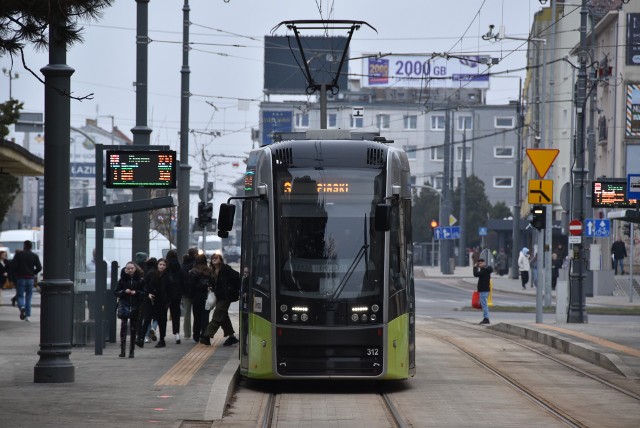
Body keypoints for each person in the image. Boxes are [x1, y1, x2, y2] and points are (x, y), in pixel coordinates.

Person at [202, 253, 240, 346]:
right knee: (223, 316)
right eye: (213, 258)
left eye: (216, 258)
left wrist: (231, 289)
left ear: (220, 260)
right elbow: (213, 283)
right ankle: (231, 337)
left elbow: (237, 277)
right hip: (218, 297)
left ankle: (206, 336)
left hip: (225, 297)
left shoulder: (226, 269)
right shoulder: (212, 271)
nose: (214, 259)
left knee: (217, 315)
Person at [114, 262, 146, 358]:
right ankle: (122, 350)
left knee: (133, 328)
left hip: (136, 305)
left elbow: (144, 292)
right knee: (123, 327)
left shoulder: (140, 280)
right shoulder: (122, 280)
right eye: (128, 268)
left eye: (132, 268)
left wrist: (136, 292)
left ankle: (131, 351)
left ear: (135, 269)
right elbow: (116, 292)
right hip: (124, 304)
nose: (130, 270)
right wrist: (124, 291)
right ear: (126, 269)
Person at [11, 240, 42, 321]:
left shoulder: (19, 254)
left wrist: (17, 273)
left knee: (20, 295)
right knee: (28, 297)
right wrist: (33, 272)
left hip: (21, 278)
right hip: (30, 278)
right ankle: (27, 316)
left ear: (24, 246)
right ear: (31, 246)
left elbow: (13, 266)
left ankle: (22, 307)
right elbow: (39, 267)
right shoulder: (34, 255)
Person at [189, 254, 212, 343]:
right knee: (205, 317)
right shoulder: (209, 271)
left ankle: (196, 335)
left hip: (196, 297)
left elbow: (191, 285)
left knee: (197, 316)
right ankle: (205, 335)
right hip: (206, 296)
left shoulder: (193, 271)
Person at [165, 250, 184, 344]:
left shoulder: (165, 267)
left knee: (162, 315)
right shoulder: (179, 268)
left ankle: (162, 335)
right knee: (176, 315)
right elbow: (183, 281)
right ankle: (177, 334)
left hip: (165, 294)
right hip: (176, 295)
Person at [181, 248, 198, 341]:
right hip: (196, 292)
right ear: (195, 254)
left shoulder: (183, 264)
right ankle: (196, 332)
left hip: (185, 292)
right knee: (197, 314)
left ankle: (187, 334)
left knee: (187, 313)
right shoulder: (196, 264)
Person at [473, 258, 493, 325]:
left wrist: (475, 267)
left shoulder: (485, 271)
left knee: (484, 305)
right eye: (479, 264)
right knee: (484, 305)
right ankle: (486, 318)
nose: (480, 265)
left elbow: (476, 274)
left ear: (484, 263)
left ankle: (486, 318)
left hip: (484, 290)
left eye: (481, 263)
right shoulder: (486, 270)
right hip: (484, 290)